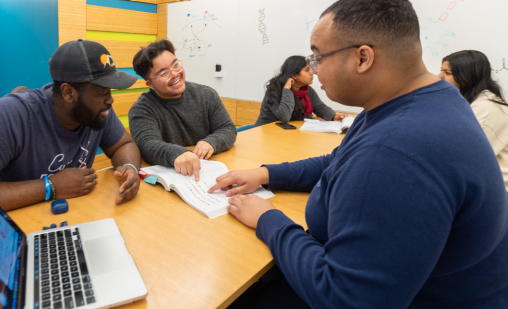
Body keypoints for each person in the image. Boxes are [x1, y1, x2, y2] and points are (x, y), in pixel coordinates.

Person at [210, 0, 508, 308]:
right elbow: (335, 161)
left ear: (363, 58)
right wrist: (266, 174)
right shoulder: (418, 99)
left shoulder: (396, 151)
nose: (313, 68)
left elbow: (345, 299)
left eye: (317, 57)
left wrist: (268, 219)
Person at [0, 40, 143, 221]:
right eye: (102, 92)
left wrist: (130, 167)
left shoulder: (97, 111)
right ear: (68, 93)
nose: (110, 100)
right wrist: (50, 187)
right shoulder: (11, 115)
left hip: (71, 221)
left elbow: (123, 144)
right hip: (7, 230)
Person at [129, 39, 236, 180]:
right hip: (171, 177)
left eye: (175, 65)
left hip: (203, 172)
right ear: (150, 84)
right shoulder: (141, 109)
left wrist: (211, 142)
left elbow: (227, 128)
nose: (174, 74)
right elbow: (148, 145)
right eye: (163, 73)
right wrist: (178, 153)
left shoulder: (206, 95)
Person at [438, 50, 508, 192]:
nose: (439, 76)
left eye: (448, 73)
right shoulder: (470, 103)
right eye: (441, 71)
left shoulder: (487, 108)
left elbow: (462, 156)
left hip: (497, 195)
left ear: (468, 77)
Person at [254, 56, 347, 127]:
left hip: (289, 132)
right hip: (267, 132)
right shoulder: (275, 89)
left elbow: (319, 107)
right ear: (294, 75)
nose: (312, 72)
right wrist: (287, 89)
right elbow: (284, 116)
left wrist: (333, 116)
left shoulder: (307, 90)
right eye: (307, 70)